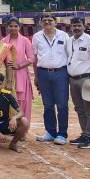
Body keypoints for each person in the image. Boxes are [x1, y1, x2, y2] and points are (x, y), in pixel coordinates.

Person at [33, 13, 71, 145]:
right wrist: (36, 76)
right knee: (47, 105)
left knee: (62, 105)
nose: (47, 22)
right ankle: (50, 132)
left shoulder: (64, 36)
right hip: (43, 73)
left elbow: (69, 55)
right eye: (45, 20)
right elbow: (35, 58)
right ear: (41, 23)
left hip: (61, 72)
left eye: (50, 20)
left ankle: (62, 134)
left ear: (55, 22)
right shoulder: (37, 37)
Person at [67, 17, 90, 149]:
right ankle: (84, 134)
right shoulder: (69, 41)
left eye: (78, 25)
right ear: (71, 27)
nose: (76, 28)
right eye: (74, 25)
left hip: (86, 79)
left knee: (89, 109)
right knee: (79, 108)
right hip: (73, 79)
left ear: (83, 26)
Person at [2, 17, 35, 123]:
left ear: (19, 27)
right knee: (8, 99)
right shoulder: (3, 41)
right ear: (7, 27)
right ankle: (10, 128)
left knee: (22, 102)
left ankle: (22, 128)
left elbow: (31, 58)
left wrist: (19, 66)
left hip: (21, 75)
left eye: (15, 26)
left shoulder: (25, 40)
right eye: (10, 26)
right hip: (7, 75)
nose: (13, 28)